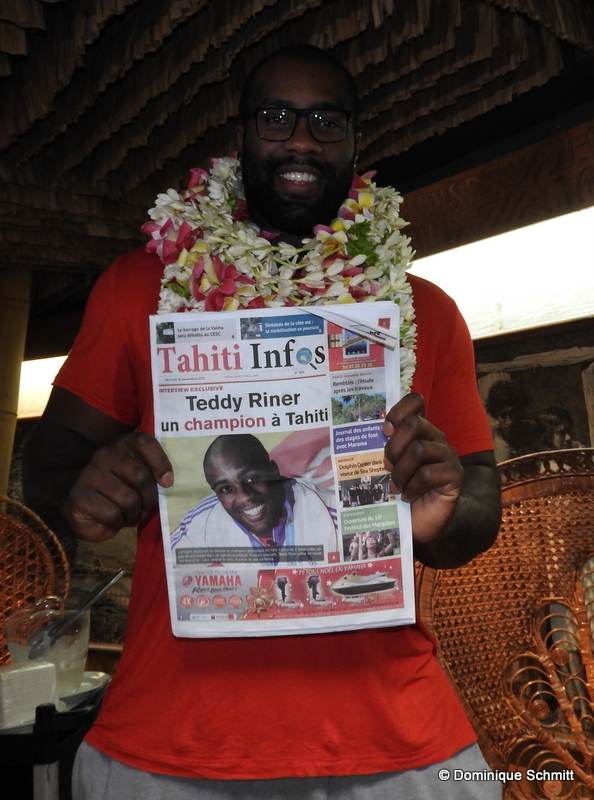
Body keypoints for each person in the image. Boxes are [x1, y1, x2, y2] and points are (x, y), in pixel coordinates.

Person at [22, 44, 502, 799]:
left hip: (395, 736)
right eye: (276, 118)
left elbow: (476, 505)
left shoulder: (424, 311)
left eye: (326, 121)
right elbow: (47, 462)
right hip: (173, 739)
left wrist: (445, 512)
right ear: (239, 134)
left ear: (354, 142)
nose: (302, 141)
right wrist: (83, 487)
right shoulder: (135, 288)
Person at [171, 433, 338, 556]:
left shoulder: (332, 517)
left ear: (274, 471)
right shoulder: (204, 519)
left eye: (251, 479)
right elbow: (169, 572)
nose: (245, 497)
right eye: (226, 489)